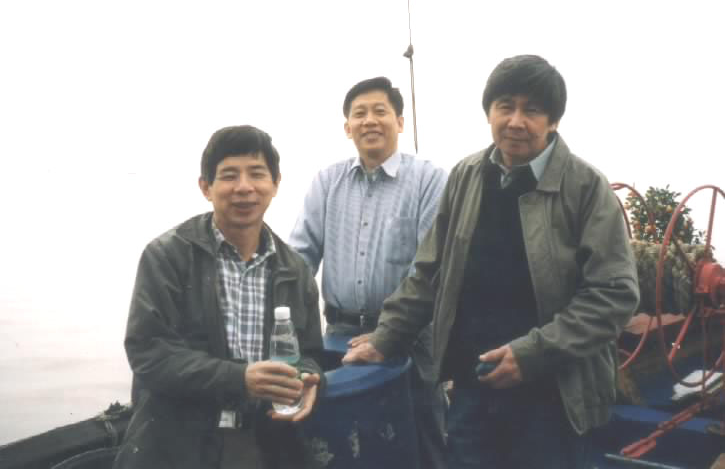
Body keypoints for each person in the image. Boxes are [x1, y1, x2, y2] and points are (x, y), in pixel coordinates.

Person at [343, 55, 640, 468]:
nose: (516, 121)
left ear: (553, 121)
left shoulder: (585, 187)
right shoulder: (466, 176)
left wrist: (532, 354)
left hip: (554, 401)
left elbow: (615, 294)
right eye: (505, 107)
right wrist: (385, 337)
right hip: (473, 391)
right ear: (489, 113)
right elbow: (429, 272)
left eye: (532, 110)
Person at [113, 125, 325, 469]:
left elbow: (310, 354)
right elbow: (148, 353)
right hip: (177, 446)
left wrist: (310, 380)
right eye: (229, 175)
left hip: (262, 443)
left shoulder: (295, 269)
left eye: (256, 173)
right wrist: (239, 379)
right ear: (205, 187)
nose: (244, 187)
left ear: (275, 184)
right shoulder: (167, 255)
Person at [289, 76, 448, 468]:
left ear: (400, 122)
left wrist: (388, 333)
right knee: (345, 446)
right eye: (359, 114)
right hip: (339, 337)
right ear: (347, 127)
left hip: (410, 339)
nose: (370, 120)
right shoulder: (327, 182)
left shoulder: (429, 180)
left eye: (380, 111)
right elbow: (298, 260)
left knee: (423, 446)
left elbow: (430, 269)